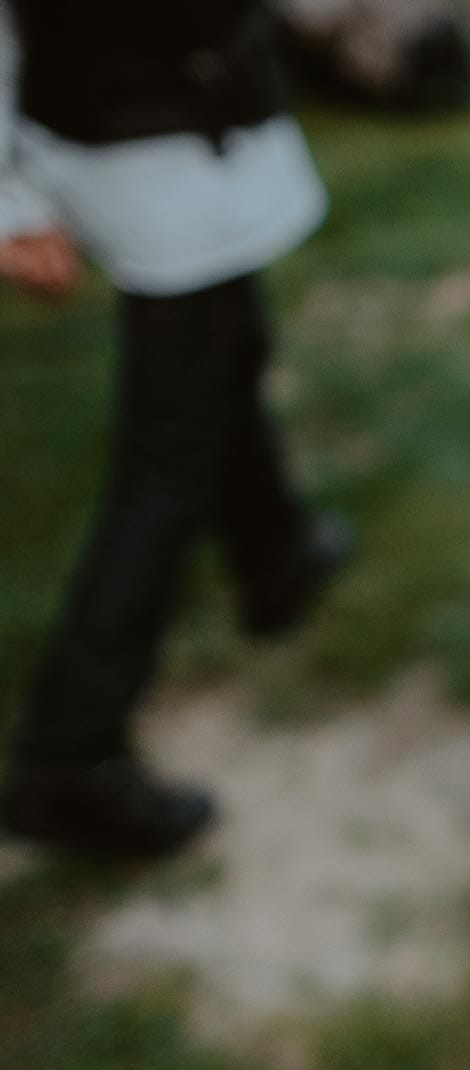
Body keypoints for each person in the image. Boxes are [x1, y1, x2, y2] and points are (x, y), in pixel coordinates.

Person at [0, 0, 351, 857]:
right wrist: (7, 204)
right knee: (169, 454)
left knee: (228, 349)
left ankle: (278, 554)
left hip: (194, 110)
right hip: (141, 146)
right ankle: (68, 755)